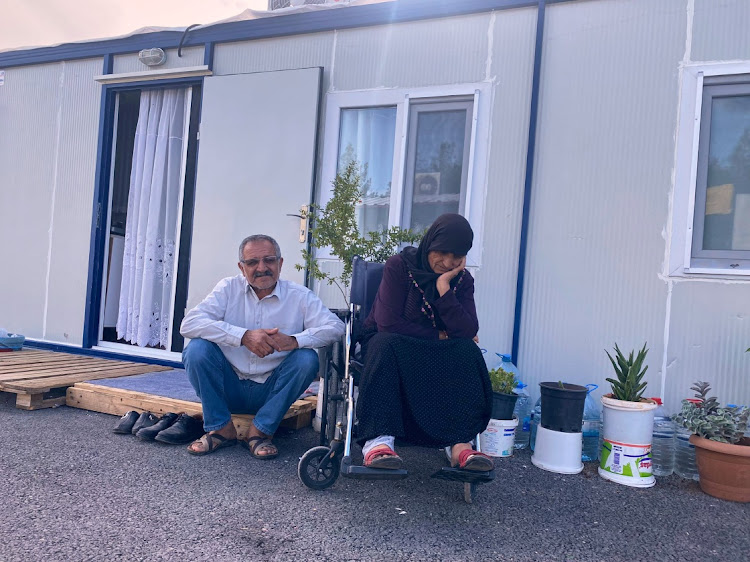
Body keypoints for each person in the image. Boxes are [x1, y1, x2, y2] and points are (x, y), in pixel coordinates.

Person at [180, 234, 345, 459]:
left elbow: (336, 327)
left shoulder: (299, 296)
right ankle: (220, 428)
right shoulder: (228, 289)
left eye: (269, 260)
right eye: (252, 262)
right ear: (241, 267)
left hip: (271, 392)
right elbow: (189, 324)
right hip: (229, 386)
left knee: (306, 358)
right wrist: (243, 336)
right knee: (197, 349)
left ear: (280, 263)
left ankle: (260, 432)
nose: (262, 268)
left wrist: (295, 340)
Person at [356, 214, 493, 471]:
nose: (447, 262)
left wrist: (443, 288)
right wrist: (440, 336)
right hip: (390, 348)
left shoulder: (462, 281)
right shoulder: (399, 266)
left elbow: (467, 330)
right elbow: (388, 323)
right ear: (429, 244)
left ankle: (460, 445)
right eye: (441, 253)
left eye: (456, 256)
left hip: (429, 353)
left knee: (466, 350)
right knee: (386, 343)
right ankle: (378, 443)